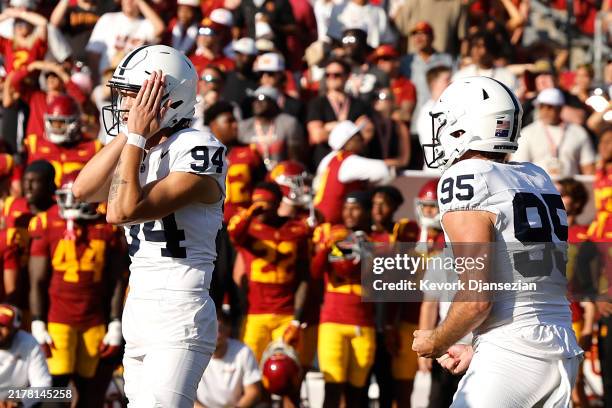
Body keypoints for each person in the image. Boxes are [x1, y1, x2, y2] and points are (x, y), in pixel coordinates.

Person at [72, 45, 227, 407]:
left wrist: (138, 137)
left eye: (132, 96)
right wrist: (131, 136)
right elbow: (82, 190)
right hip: (139, 305)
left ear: (167, 101)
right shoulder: (136, 147)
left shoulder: (198, 146)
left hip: (180, 305)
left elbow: (122, 211)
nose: (125, 106)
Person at [412, 76, 582, 406]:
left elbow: (477, 298)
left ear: (467, 126)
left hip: (514, 352)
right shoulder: (537, 176)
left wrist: (436, 339)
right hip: (560, 344)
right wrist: (477, 346)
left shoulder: (465, 177)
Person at [28, 175, 127, 405]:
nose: (71, 203)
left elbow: (116, 280)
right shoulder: (47, 222)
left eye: (78, 196)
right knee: (54, 389)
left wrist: (114, 322)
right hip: (58, 319)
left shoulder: (107, 226)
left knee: (90, 390)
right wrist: (38, 320)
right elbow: (37, 280)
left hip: (93, 320)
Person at [311, 191, 376, 408]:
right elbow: (315, 271)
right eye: (346, 207)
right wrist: (326, 246)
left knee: (356, 394)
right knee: (332, 389)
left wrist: (370, 251)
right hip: (333, 320)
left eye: (355, 207)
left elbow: (384, 280)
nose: (349, 213)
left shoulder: (377, 239)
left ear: (367, 211)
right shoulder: (333, 234)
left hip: (364, 322)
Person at [313, 120, 392, 224]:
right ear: (348, 142)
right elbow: (383, 171)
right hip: (334, 227)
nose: (362, 140)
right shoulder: (348, 161)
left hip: (319, 220)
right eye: (358, 137)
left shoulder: (328, 159)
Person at [513, 88, 596, 177]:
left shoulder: (578, 132)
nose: (545, 111)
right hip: (538, 189)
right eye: (541, 106)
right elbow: (519, 169)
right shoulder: (527, 133)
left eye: (550, 107)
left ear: (560, 108)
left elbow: (588, 170)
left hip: (570, 188)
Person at [194, 309, 262, 408]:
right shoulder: (193, 354)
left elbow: (253, 391)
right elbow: (185, 394)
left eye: (220, 328)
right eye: (212, 329)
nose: (217, 334)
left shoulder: (243, 351)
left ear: (228, 329)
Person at [238, 86, 305, 170]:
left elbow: (295, 160)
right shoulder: (243, 126)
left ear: (273, 102)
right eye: (254, 99)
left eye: (261, 98)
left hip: (280, 175)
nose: (257, 103)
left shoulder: (289, 123)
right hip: (251, 176)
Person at [0, 304, 52, 407]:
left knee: (54, 400)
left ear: (15, 329)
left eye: (2, 326)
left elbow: (42, 383)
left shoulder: (29, 343)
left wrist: (19, 402)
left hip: (17, 400)